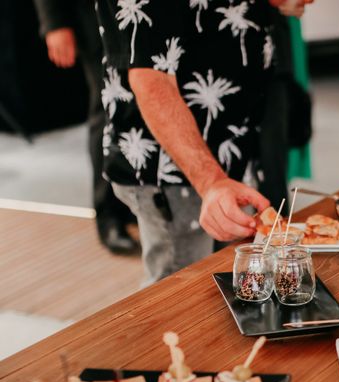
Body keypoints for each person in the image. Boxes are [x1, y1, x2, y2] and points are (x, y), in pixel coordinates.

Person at [94, 0, 310, 285]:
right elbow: (151, 81)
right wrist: (211, 182)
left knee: (236, 291)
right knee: (180, 302)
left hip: (233, 148)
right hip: (174, 168)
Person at [32, 0, 138, 255]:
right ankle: (108, 214)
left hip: (145, 17)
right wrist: (54, 22)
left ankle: (133, 202)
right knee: (107, 109)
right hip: (96, 17)